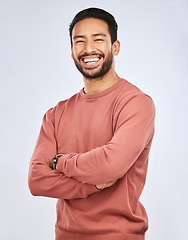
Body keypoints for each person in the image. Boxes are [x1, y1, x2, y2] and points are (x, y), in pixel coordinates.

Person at [28, 7, 155, 240]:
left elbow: (110, 166)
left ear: (115, 47)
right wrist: (92, 186)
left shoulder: (136, 103)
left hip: (119, 235)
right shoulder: (55, 114)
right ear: (72, 50)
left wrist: (59, 162)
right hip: (65, 235)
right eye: (80, 41)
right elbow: (36, 180)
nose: (88, 49)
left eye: (98, 39)